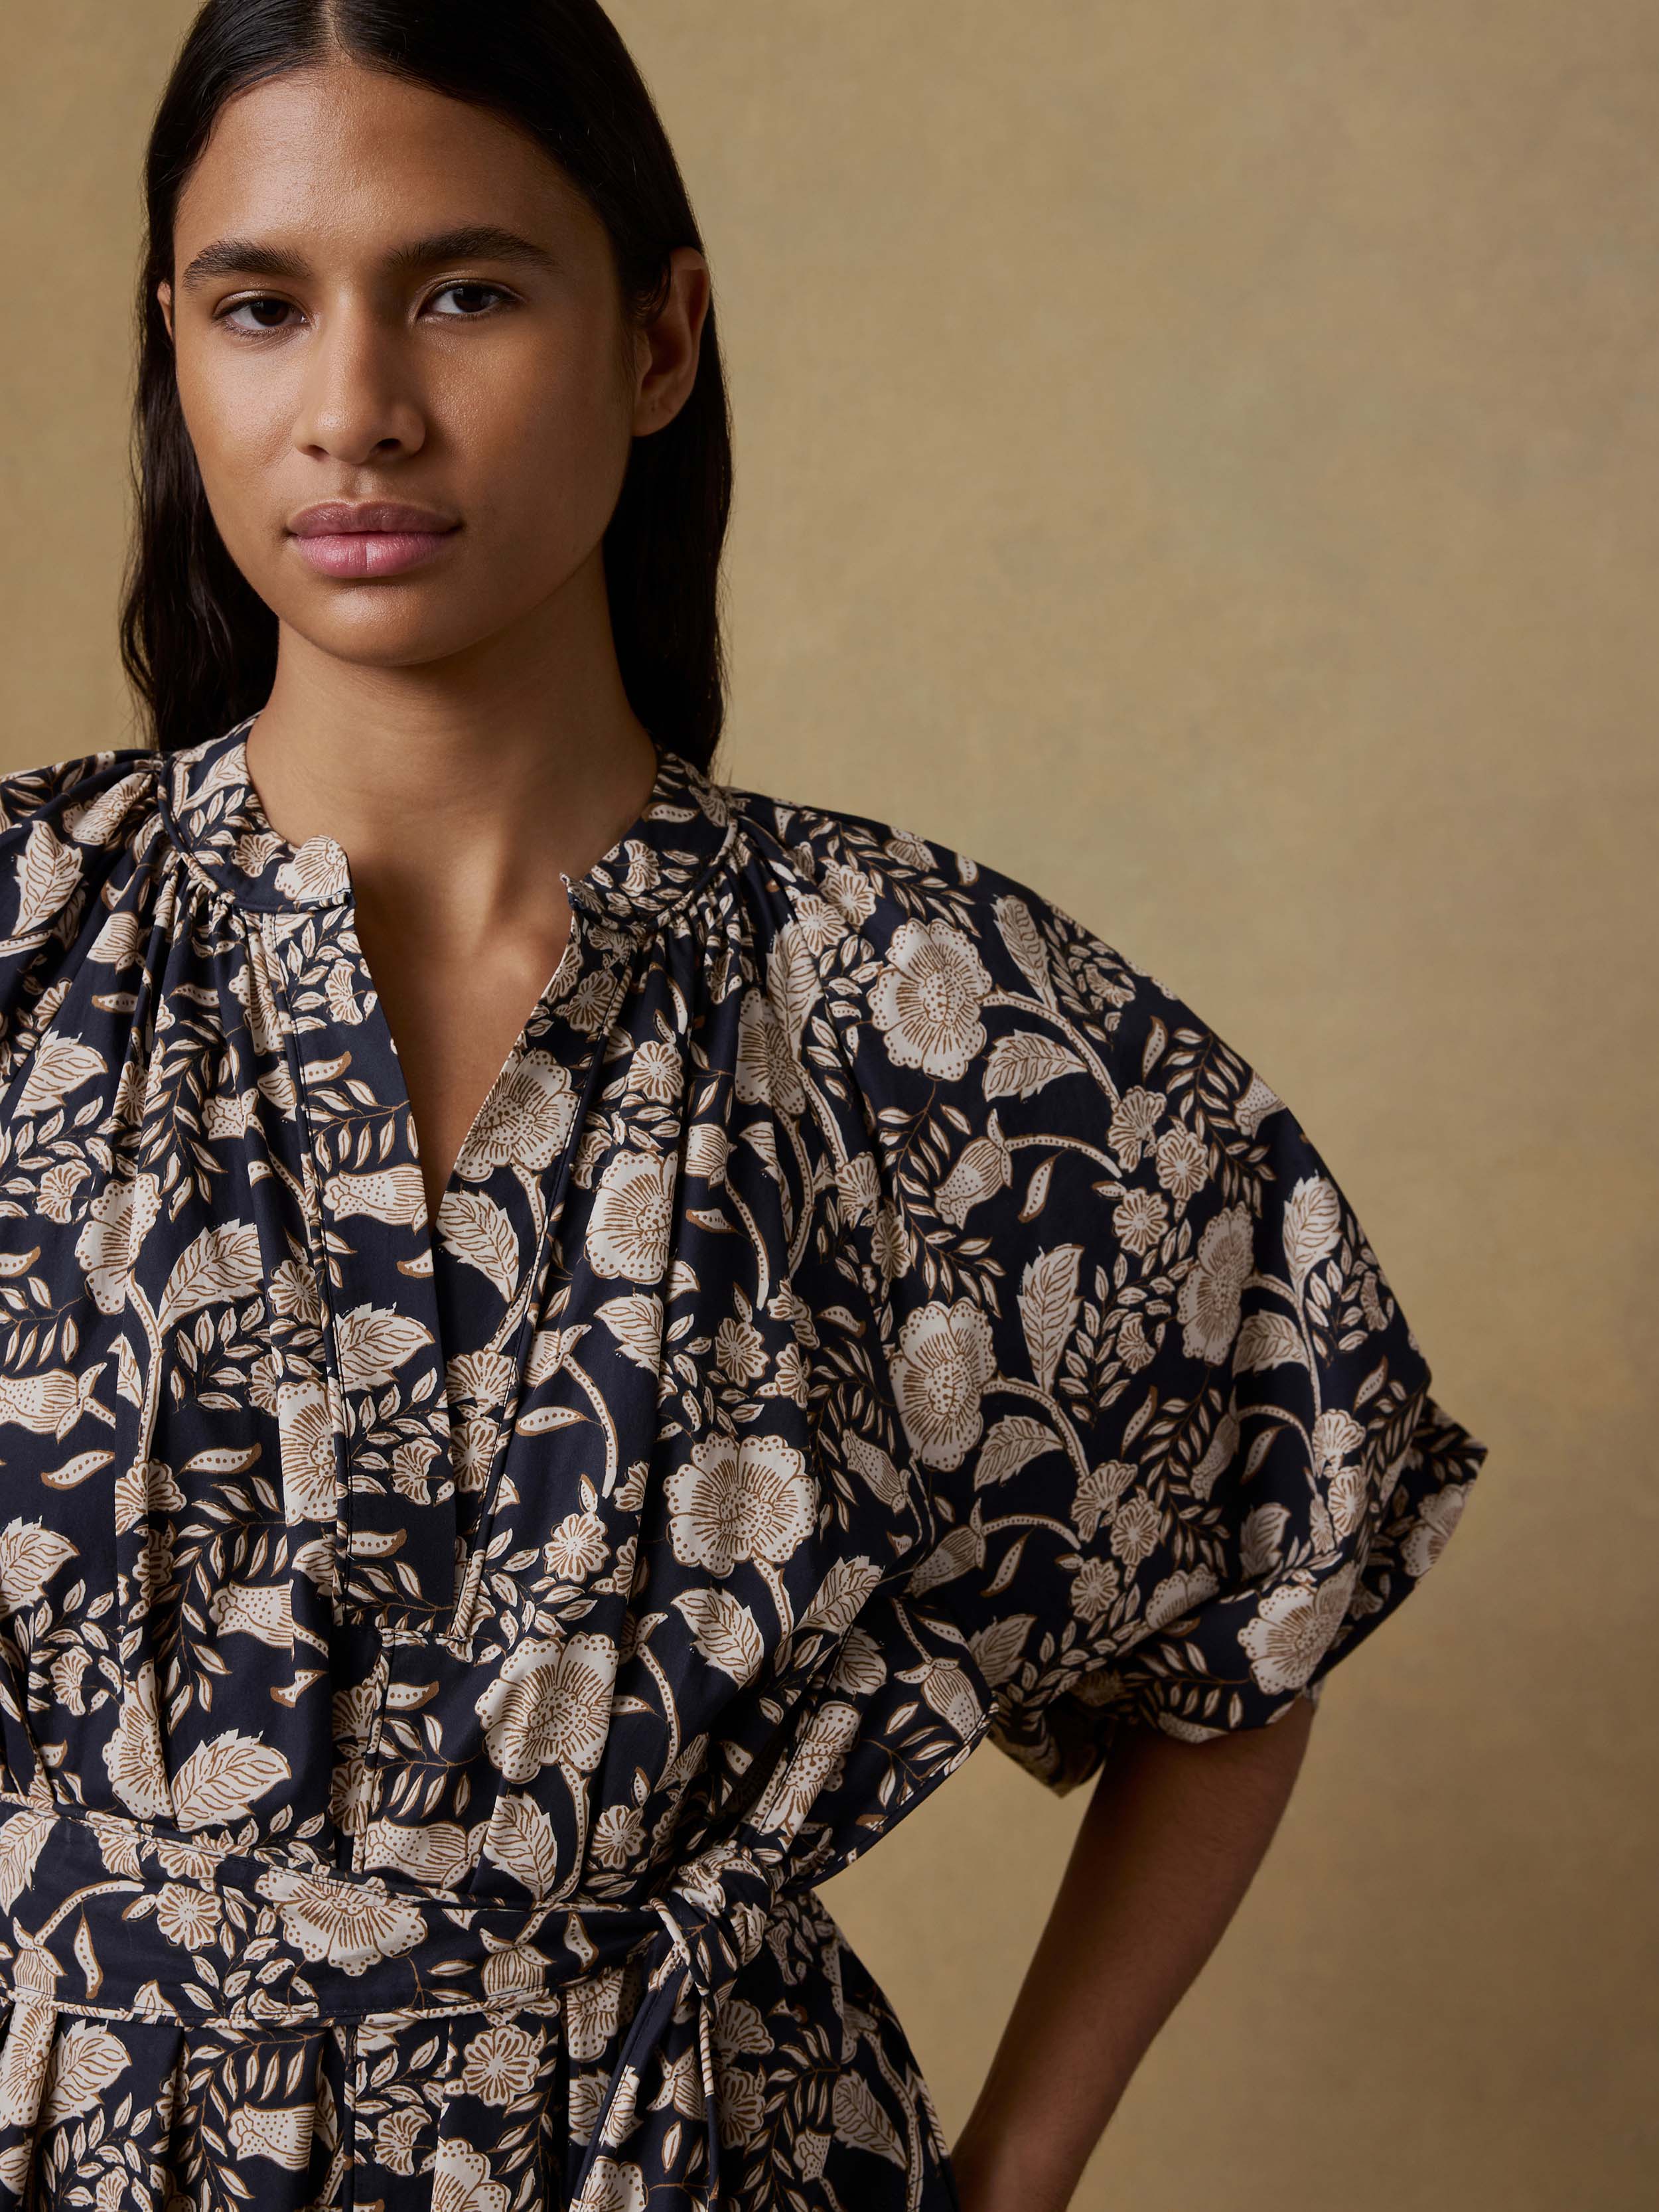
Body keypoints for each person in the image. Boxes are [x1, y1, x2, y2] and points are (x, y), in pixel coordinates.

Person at [0, 5, 1487, 2209]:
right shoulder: (28, 946)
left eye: (467, 291)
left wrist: (1018, 2176)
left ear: (660, 339)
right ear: (177, 352)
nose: (355, 412)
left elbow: (1264, 1559)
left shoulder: (920, 1016)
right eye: (260, 307)